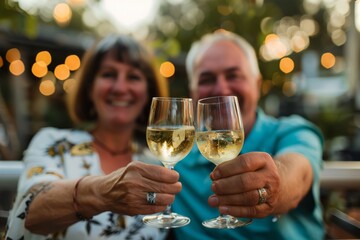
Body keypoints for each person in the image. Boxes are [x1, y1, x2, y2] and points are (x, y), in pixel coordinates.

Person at [5, 35, 181, 239]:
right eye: (108, 74)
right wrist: (103, 193)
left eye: (133, 77)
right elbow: (30, 212)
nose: (120, 88)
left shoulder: (158, 160)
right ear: (89, 88)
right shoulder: (54, 144)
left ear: (148, 93)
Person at [172, 30, 324, 239]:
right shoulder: (178, 158)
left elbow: (298, 174)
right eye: (206, 79)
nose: (222, 89)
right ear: (193, 91)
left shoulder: (293, 132)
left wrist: (274, 187)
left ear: (257, 84)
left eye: (233, 75)